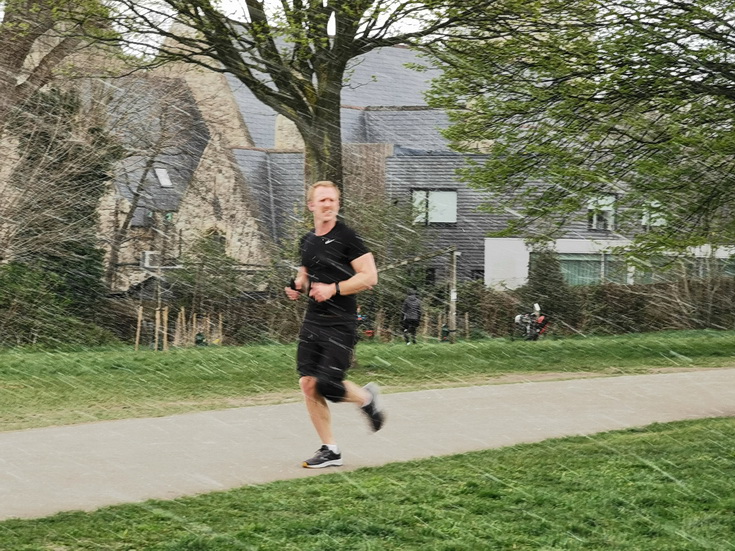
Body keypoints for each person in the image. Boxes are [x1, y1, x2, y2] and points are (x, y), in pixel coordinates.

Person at [284, 181, 384, 469]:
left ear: (338, 204)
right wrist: (296, 287)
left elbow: (370, 277)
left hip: (341, 322)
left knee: (328, 384)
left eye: (332, 200)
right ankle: (330, 449)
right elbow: (304, 277)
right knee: (308, 384)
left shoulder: (348, 238)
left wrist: (334, 289)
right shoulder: (307, 240)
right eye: (322, 200)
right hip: (313, 321)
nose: (328, 204)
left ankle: (366, 398)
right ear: (311, 205)